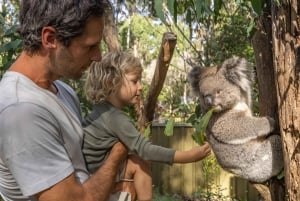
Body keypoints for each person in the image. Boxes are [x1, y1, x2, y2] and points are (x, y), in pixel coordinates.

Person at [0, 1, 129, 201]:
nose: (98, 56)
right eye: (90, 46)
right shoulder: (21, 111)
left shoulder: (63, 91)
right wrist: (118, 152)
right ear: (50, 38)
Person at [82, 51, 212, 201]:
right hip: (98, 175)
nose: (140, 87)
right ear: (112, 82)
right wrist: (188, 156)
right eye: (134, 81)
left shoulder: (100, 111)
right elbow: (145, 149)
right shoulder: (115, 117)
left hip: (92, 172)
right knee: (140, 163)